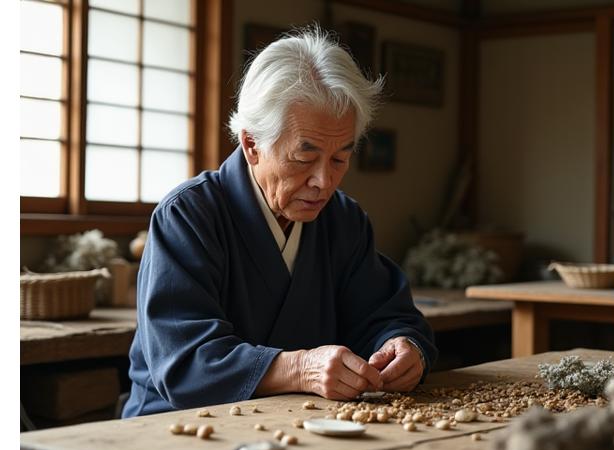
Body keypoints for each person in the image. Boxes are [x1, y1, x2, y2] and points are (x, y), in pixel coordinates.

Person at [122, 26, 437, 418]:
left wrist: (403, 346)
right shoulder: (188, 216)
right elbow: (185, 361)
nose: (324, 181)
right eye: (304, 157)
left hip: (301, 422)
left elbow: (385, 314)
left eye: (340, 158)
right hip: (176, 426)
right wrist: (300, 368)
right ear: (252, 145)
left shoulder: (343, 220)